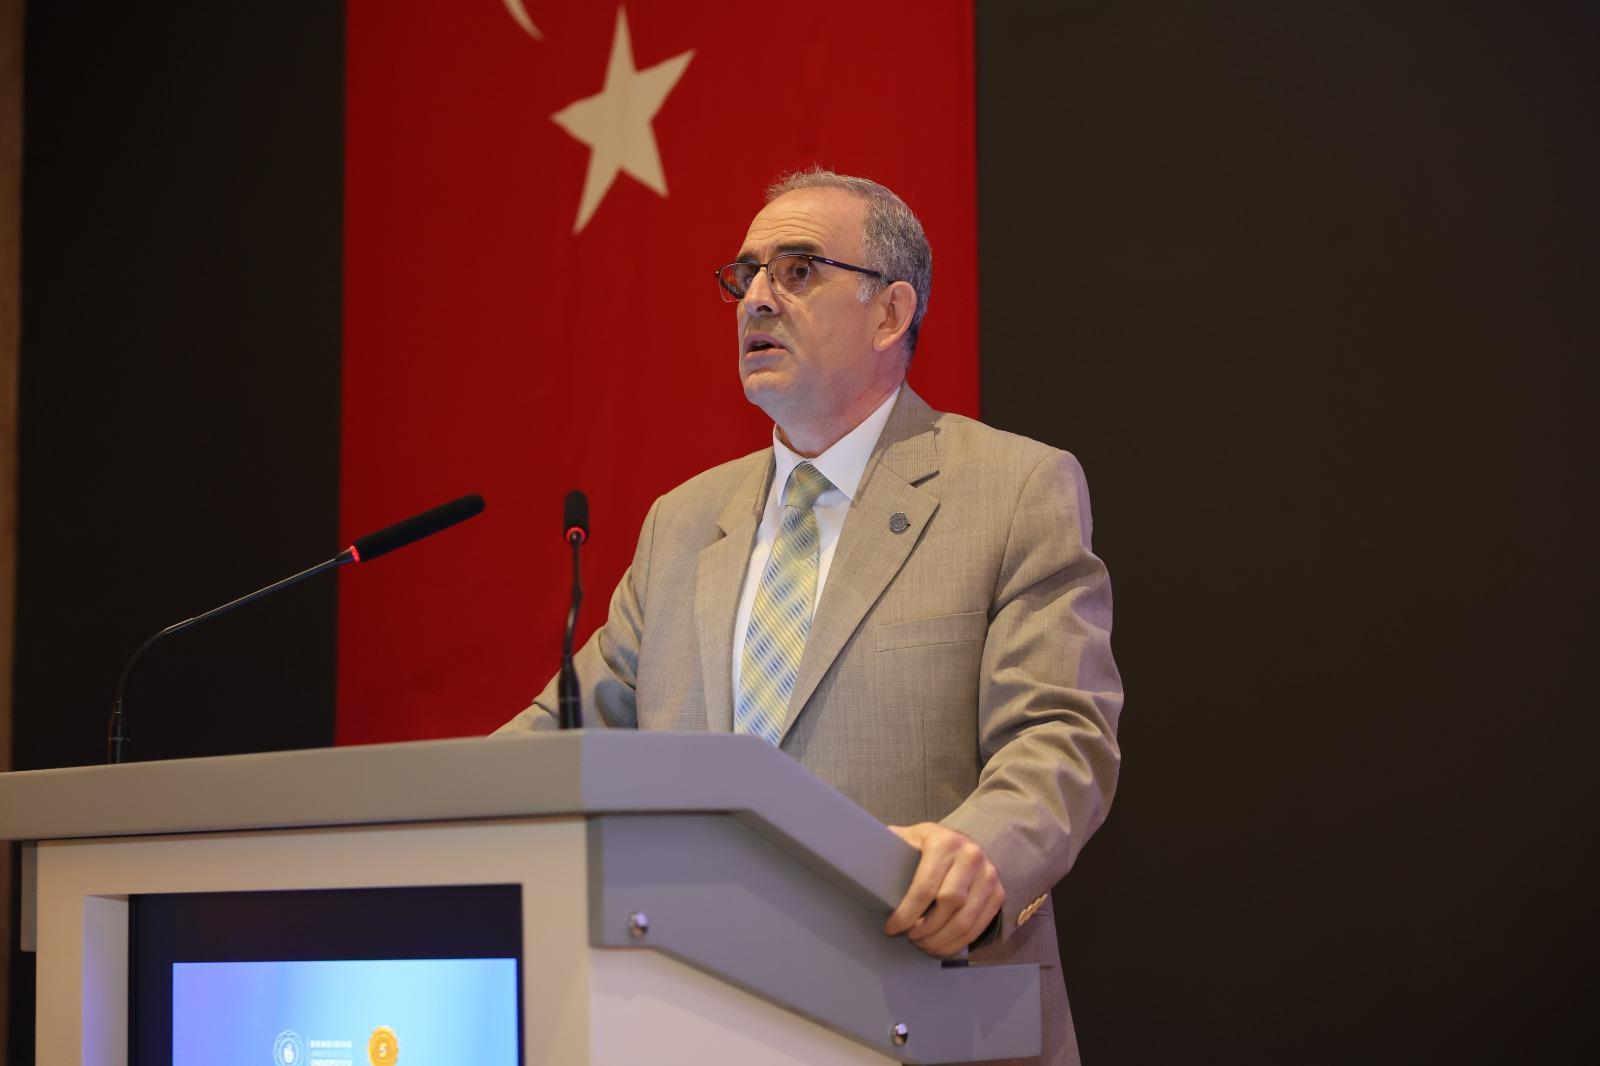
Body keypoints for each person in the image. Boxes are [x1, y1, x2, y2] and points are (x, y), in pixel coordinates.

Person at [496, 168, 1123, 1066]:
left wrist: (980, 852)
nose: (756, 297)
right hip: (700, 1018)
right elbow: (567, 730)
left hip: (925, 1007)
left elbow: (1060, 737)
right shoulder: (684, 522)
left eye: (796, 270)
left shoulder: (1013, 489)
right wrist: (422, 814)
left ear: (890, 312)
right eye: (745, 274)